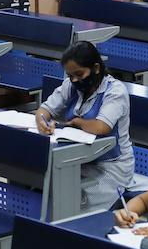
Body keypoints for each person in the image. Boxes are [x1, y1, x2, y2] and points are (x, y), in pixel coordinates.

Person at [35, 41, 134, 211]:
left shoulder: (115, 91)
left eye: (79, 74)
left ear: (96, 68)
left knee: (72, 201)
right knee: (42, 186)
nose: (75, 80)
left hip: (109, 168)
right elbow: (44, 109)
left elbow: (101, 127)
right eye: (70, 75)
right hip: (77, 160)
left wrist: (77, 122)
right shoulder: (71, 85)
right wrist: (43, 122)